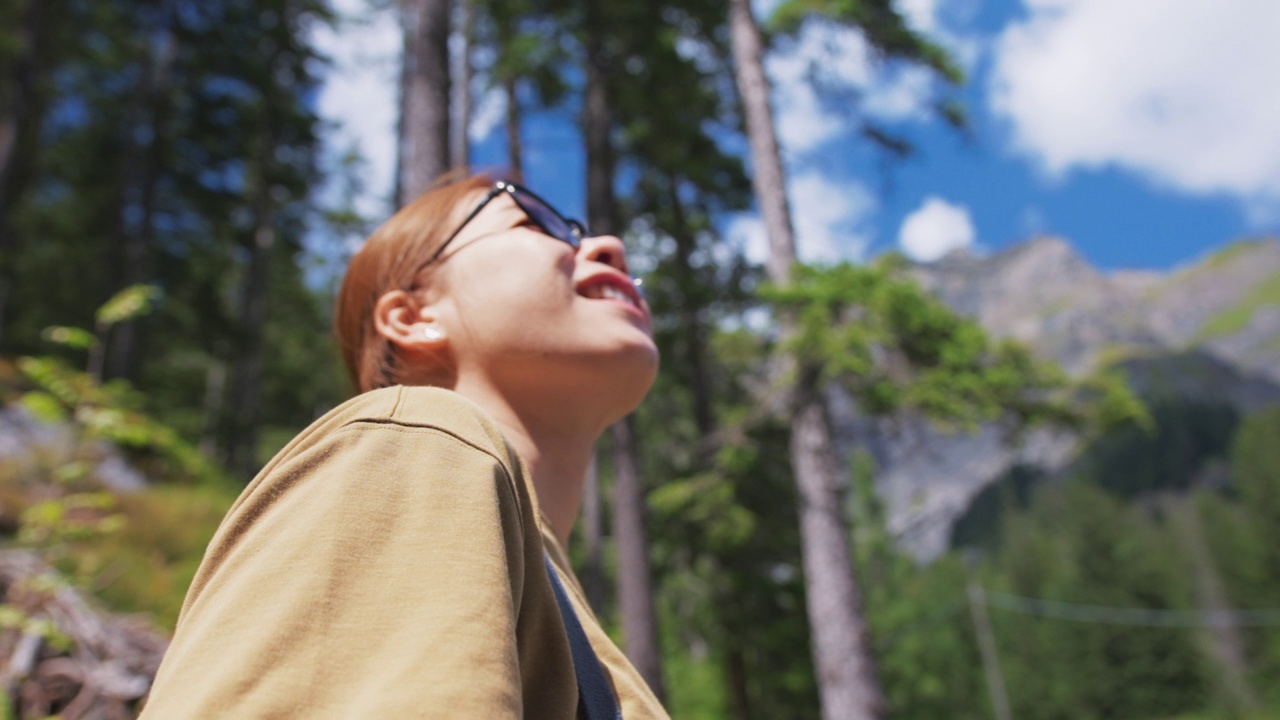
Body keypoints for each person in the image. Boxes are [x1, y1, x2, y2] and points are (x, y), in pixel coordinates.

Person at [141, 172, 668, 718]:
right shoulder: (419, 441)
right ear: (413, 317)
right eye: (534, 223)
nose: (610, 247)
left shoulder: (562, 612)